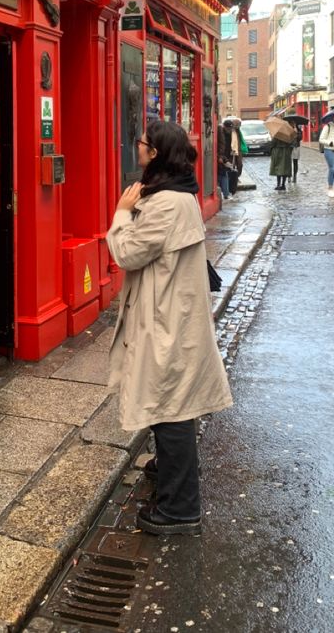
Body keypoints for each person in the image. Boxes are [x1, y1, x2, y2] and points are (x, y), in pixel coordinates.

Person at [106, 120, 233, 536]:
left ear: (155, 153)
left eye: (141, 143)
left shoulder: (166, 204)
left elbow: (128, 253)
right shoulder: (177, 193)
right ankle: (167, 472)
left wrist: (121, 216)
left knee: (170, 408)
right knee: (169, 401)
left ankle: (180, 509)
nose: (136, 148)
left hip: (167, 318)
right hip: (171, 310)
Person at [268, 123, 295, 191]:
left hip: (277, 152)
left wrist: (270, 150)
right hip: (286, 153)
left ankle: (278, 184)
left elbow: (272, 144)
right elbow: (293, 144)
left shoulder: (277, 134)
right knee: (285, 169)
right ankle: (283, 185)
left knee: (278, 168)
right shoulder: (289, 135)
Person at [217, 119, 231, 200]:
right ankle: (225, 194)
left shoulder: (223, 131)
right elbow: (221, 145)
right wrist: (221, 157)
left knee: (222, 175)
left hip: (222, 157)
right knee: (223, 175)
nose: (230, 130)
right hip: (221, 157)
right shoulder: (220, 131)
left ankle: (224, 193)